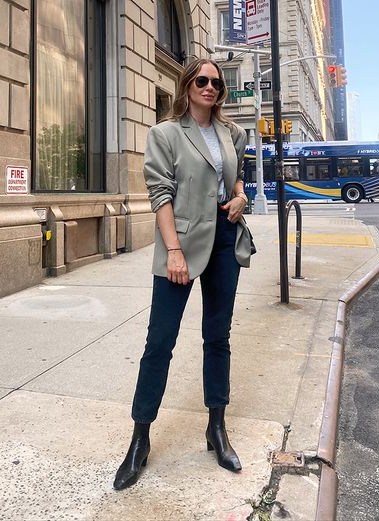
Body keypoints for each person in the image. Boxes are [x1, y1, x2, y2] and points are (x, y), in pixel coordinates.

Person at [113, 58, 253, 491]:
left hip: (225, 244)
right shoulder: (165, 133)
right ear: (187, 85)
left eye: (216, 82)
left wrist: (241, 199)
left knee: (218, 336)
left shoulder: (232, 134)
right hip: (182, 245)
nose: (210, 87)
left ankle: (216, 426)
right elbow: (160, 195)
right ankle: (140, 437)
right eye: (202, 80)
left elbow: (236, 180)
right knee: (160, 342)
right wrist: (173, 250)